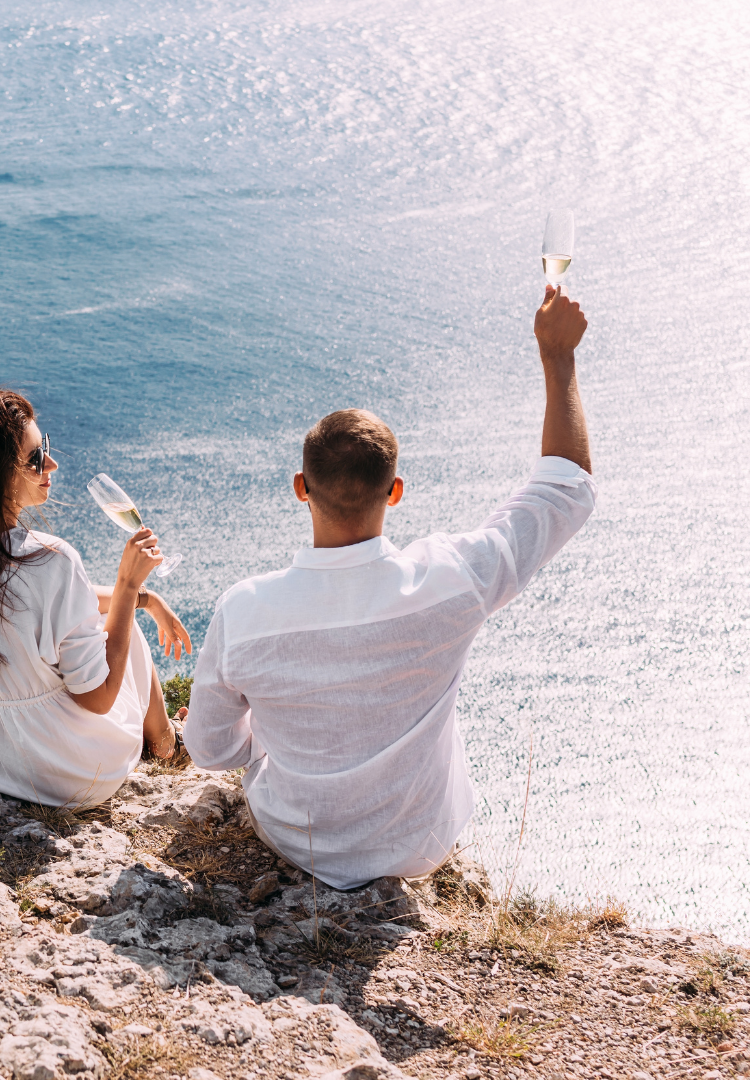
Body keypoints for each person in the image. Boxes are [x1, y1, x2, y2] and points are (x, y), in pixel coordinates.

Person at [183, 287, 595, 888]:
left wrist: (271, 742)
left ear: (301, 487)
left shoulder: (245, 610)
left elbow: (212, 752)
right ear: (395, 490)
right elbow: (566, 491)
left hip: (296, 842)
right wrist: (558, 359)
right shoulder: (453, 579)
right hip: (420, 845)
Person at [0, 388, 194, 807]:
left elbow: (56, 604)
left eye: (43, 448)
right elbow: (98, 698)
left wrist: (146, 597)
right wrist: (126, 589)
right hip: (64, 771)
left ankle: (166, 740)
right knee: (124, 630)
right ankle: (167, 744)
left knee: (120, 615)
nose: (51, 463)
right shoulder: (51, 559)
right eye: (34, 458)